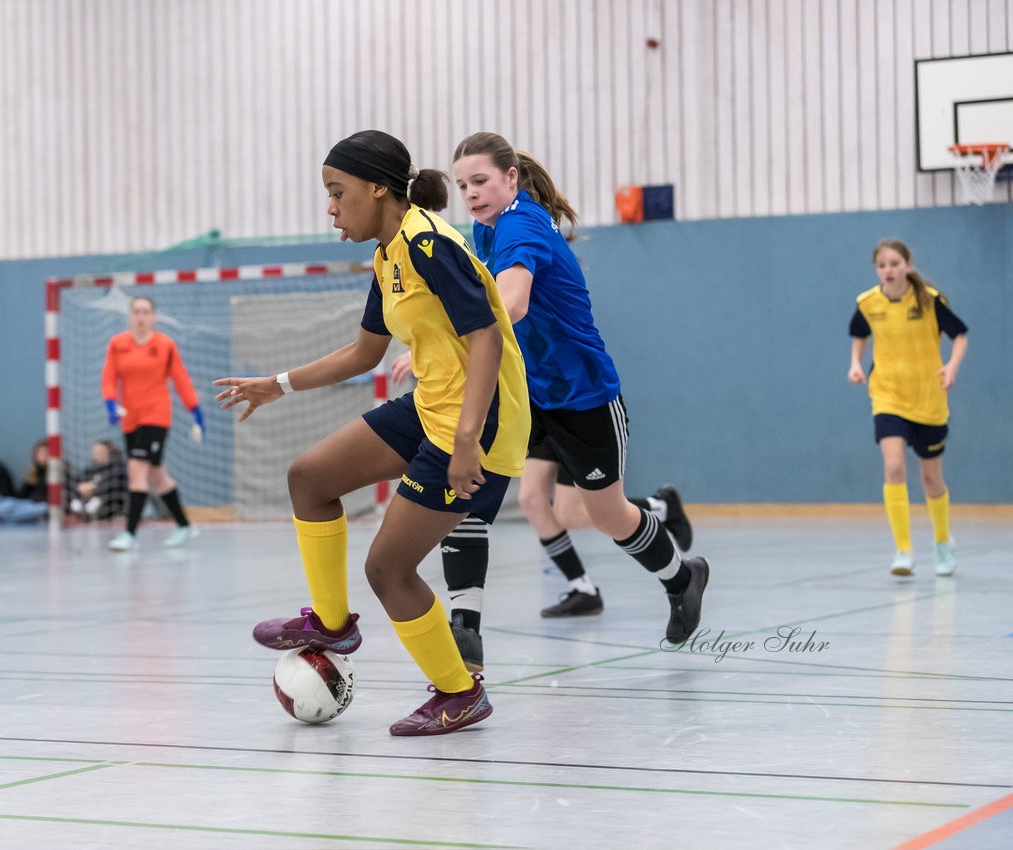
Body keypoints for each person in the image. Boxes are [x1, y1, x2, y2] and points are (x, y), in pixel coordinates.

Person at [214, 130, 530, 736]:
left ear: (377, 188)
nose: (330, 207)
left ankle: (460, 693)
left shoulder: (430, 244)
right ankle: (333, 625)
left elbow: (487, 336)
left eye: (337, 192)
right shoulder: (389, 254)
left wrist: (466, 443)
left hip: (477, 421)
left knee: (388, 569)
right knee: (310, 477)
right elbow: (365, 353)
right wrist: (275, 383)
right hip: (434, 402)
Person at [432, 132, 710, 668]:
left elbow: (509, 304)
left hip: (584, 396)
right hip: (528, 399)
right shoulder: (484, 230)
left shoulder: (521, 224)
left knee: (606, 517)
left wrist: (447, 340)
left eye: (481, 181)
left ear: (511, 179)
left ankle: (682, 576)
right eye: (462, 184)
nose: (470, 193)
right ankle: (465, 632)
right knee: (479, 490)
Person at [848, 239, 968, 577]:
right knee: (895, 466)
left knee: (931, 478)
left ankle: (943, 542)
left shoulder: (929, 301)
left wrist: (951, 367)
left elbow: (960, 335)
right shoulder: (868, 303)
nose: (889, 270)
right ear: (877, 270)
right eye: (883, 265)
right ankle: (903, 549)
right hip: (888, 395)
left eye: (895, 263)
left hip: (928, 398)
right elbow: (859, 333)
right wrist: (855, 362)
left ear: (908, 265)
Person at [102, 295, 204, 551]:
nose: (141, 317)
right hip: (130, 419)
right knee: (158, 476)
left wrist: (195, 409)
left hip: (156, 416)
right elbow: (109, 378)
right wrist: (110, 403)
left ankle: (129, 534)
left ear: (154, 316)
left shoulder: (165, 345)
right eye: (136, 311)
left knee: (136, 472)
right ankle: (184, 525)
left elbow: (180, 378)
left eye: (146, 311)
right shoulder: (117, 344)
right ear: (129, 315)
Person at [0, 440, 55, 524]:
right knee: (4, 502)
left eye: (45, 453)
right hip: (27, 504)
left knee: (13, 510)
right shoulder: (33, 474)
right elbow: (20, 495)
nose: (42, 456)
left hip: (41, 506)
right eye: (40, 453)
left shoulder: (57, 475)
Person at [69, 439, 126, 521]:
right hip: (89, 500)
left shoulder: (117, 467)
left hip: (110, 505)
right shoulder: (90, 469)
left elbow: (112, 485)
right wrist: (81, 488)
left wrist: (94, 489)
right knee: (75, 503)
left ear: (108, 451)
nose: (97, 454)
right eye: (95, 451)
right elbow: (78, 482)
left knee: (96, 501)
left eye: (100, 451)